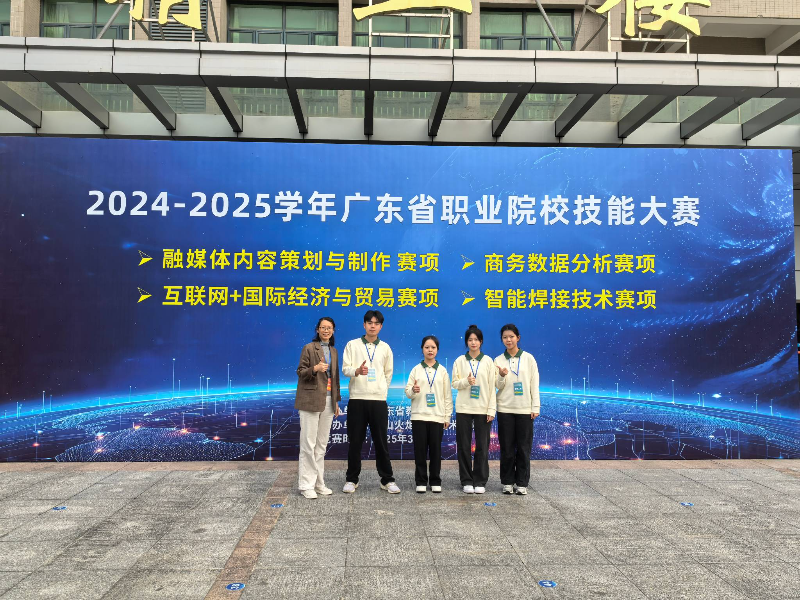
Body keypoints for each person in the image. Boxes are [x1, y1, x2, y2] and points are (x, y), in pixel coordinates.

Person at [341, 310, 400, 494]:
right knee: (355, 442)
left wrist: (381, 390)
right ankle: (352, 479)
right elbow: (345, 369)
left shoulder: (386, 348)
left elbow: (388, 373)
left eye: (376, 323)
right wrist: (357, 371)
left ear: (381, 327)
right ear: (364, 325)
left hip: (378, 401)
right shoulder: (352, 345)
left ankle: (387, 480)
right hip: (357, 399)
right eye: (369, 323)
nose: (372, 326)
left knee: (381, 442)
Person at [294, 317, 341, 499]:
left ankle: (319, 483)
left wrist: (336, 402)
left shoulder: (334, 351)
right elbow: (300, 372)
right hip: (310, 401)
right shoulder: (309, 348)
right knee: (308, 444)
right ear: (318, 330)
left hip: (329, 402)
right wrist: (315, 368)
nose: (326, 330)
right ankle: (306, 485)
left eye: (329, 328)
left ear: (333, 330)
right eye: (323, 327)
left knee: (321, 446)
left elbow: (335, 380)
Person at [494, 323, 540, 495]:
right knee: (506, 448)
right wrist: (501, 375)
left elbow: (534, 384)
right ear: (502, 340)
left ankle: (522, 483)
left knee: (523, 448)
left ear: (518, 338)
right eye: (505, 337)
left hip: (524, 409)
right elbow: (497, 385)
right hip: (505, 408)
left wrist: (535, 406)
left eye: (511, 337)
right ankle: (507, 482)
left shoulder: (529, 358)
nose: (508, 340)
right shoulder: (498, 360)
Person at [451, 324, 496, 494]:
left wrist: (491, 410)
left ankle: (480, 480)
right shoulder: (459, 361)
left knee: (482, 446)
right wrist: (466, 381)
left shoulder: (488, 361)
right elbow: (455, 383)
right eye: (470, 340)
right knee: (464, 446)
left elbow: (492, 388)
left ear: (481, 341)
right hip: (463, 408)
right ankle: (466, 480)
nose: (473, 342)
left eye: (476, 339)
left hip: (482, 409)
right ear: (466, 342)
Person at [405, 335, 452, 493]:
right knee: (420, 451)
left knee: (435, 451)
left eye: (433, 347)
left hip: (437, 416)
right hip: (419, 416)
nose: (430, 350)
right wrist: (413, 390)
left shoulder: (442, 371)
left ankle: (435, 480)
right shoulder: (416, 369)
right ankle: (421, 481)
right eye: (427, 347)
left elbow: (447, 396)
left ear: (437, 349)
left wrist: (447, 416)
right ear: (422, 349)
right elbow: (408, 392)